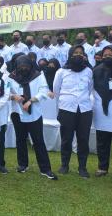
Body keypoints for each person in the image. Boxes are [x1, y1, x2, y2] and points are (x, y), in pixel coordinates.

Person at [8, 55, 58, 180]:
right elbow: (5, 91)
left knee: (38, 141)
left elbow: (44, 91)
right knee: (20, 139)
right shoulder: (10, 77)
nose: (23, 68)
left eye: (25, 66)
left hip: (34, 113)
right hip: (17, 112)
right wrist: (15, 97)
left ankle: (45, 169)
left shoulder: (38, 75)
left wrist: (30, 101)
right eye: (20, 66)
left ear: (30, 65)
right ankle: (22, 164)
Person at [53, 45, 93, 178]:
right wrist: (61, 107)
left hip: (84, 110)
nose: (78, 55)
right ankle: (64, 165)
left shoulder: (88, 71)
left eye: (80, 53)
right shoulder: (61, 72)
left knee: (83, 139)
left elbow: (90, 88)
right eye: (75, 53)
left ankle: (82, 167)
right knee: (66, 139)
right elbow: (56, 91)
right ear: (70, 55)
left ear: (84, 55)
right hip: (66, 109)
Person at [93, 45, 112, 177]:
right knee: (103, 140)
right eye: (105, 55)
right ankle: (102, 167)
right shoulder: (96, 70)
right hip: (102, 110)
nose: (107, 57)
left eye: (110, 55)